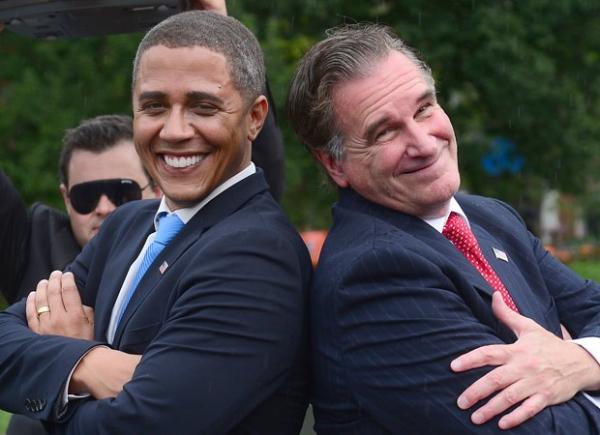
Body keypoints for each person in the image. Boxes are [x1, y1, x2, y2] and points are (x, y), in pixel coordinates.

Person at [0, 10, 311, 435]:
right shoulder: (127, 225)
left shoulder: (256, 254)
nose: (175, 129)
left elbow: (142, 426)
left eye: (203, 106)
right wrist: (89, 362)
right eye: (154, 106)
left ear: (255, 117)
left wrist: (56, 369)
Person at [287, 23, 600, 434]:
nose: (424, 142)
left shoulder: (490, 217)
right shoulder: (372, 276)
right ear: (334, 164)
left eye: (424, 108)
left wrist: (578, 362)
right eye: (385, 131)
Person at [1, 114, 162, 435]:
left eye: (122, 193)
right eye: (86, 197)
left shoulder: (188, 256)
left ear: (157, 188)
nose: (103, 207)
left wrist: (75, 355)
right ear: (65, 198)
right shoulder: (32, 243)